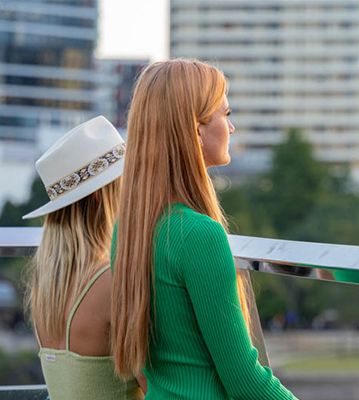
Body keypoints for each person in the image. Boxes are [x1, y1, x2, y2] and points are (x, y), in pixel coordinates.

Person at [111, 59, 298, 399]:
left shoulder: (128, 231)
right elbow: (246, 382)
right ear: (195, 128)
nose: (232, 127)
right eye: (225, 114)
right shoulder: (199, 235)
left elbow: (143, 371)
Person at [23, 116, 145, 399]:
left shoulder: (45, 285)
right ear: (101, 196)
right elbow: (159, 386)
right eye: (125, 181)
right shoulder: (112, 281)